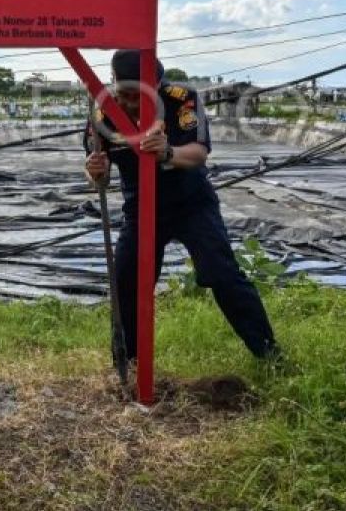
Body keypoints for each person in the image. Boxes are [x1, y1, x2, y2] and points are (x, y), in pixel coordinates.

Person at [84, 51, 279, 362]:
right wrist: (95, 171)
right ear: (116, 84)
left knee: (222, 274)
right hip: (140, 207)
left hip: (191, 203)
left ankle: (269, 355)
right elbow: (101, 177)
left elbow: (199, 153)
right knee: (127, 282)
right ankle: (127, 364)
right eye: (129, 93)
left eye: (149, 91)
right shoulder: (101, 111)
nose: (138, 100)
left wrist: (168, 152)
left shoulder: (181, 98)